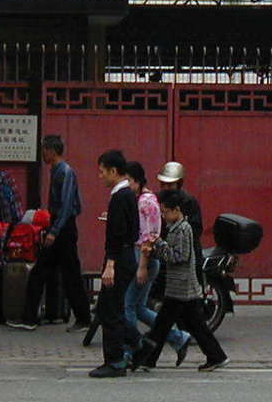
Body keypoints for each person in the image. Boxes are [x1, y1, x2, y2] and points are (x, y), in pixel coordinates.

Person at [136, 189, 229, 372]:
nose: (163, 216)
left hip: (181, 286)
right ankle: (216, 356)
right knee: (180, 325)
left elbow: (179, 256)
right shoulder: (177, 228)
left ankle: (147, 358)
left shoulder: (183, 230)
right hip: (180, 286)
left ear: (176, 210)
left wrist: (159, 244)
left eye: (165, 212)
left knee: (164, 325)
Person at [10, 135, 94, 332]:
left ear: (52, 151)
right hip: (59, 226)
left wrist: (54, 231)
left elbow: (67, 205)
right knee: (50, 272)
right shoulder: (58, 171)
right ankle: (36, 317)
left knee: (66, 274)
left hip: (62, 229)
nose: (43, 154)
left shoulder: (65, 172)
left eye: (45, 150)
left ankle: (80, 318)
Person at [126, 161, 191, 365]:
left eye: (128, 181)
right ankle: (178, 338)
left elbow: (149, 237)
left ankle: (134, 349)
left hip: (146, 258)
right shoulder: (142, 200)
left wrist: (142, 265)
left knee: (128, 306)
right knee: (139, 307)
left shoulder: (148, 202)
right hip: (147, 257)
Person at [89, 149, 140, 378]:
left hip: (118, 259)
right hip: (126, 256)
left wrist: (110, 264)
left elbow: (117, 234)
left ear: (113, 171)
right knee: (109, 307)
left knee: (110, 310)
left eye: (102, 172)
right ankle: (139, 343)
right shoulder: (128, 194)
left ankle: (115, 360)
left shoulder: (120, 197)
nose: (100, 176)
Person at [156, 161, 204, 282]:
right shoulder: (156, 200)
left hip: (185, 259)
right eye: (164, 184)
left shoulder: (189, 202)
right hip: (163, 255)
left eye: (170, 185)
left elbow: (196, 230)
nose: (166, 188)